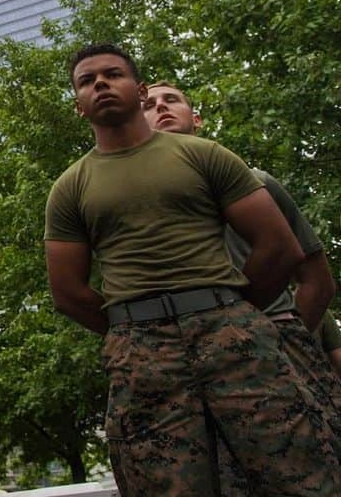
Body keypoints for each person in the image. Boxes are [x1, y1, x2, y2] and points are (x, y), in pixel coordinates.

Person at [45, 43, 339, 495]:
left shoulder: (205, 156)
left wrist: (234, 313)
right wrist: (130, 331)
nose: (101, 83)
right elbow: (67, 291)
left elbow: (279, 246)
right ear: (78, 105)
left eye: (113, 74)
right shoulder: (70, 187)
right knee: (164, 483)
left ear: (139, 91)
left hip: (232, 335)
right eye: (87, 81)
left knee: (297, 470)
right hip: (141, 353)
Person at [143, 82, 341, 415]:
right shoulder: (131, 205)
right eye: (148, 104)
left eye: (171, 100)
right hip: (191, 368)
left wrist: (279, 342)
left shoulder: (257, 184)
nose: (160, 107)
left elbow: (318, 283)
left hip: (278, 366)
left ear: (197, 119)